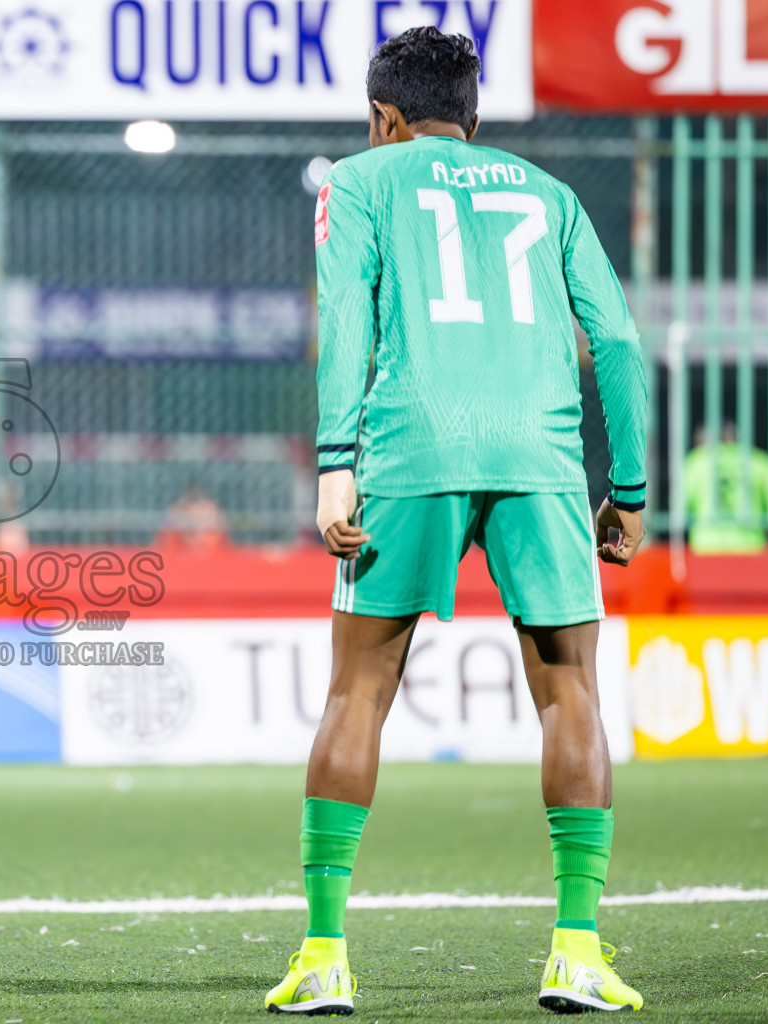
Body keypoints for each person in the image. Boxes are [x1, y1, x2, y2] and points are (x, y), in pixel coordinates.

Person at [265, 28, 647, 1015]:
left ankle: (324, 957)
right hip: (540, 455)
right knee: (571, 694)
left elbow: (345, 321)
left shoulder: (357, 183)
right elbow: (616, 339)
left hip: (411, 446)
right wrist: (631, 488)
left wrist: (335, 465)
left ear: (384, 117)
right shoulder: (550, 195)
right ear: (471, 119)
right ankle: (577, 952)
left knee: (358, 691)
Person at [684, 422, 768, 553]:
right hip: (751, 549)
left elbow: (679, 510)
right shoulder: (759, 461)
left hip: (706, 549)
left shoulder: (696, 461)